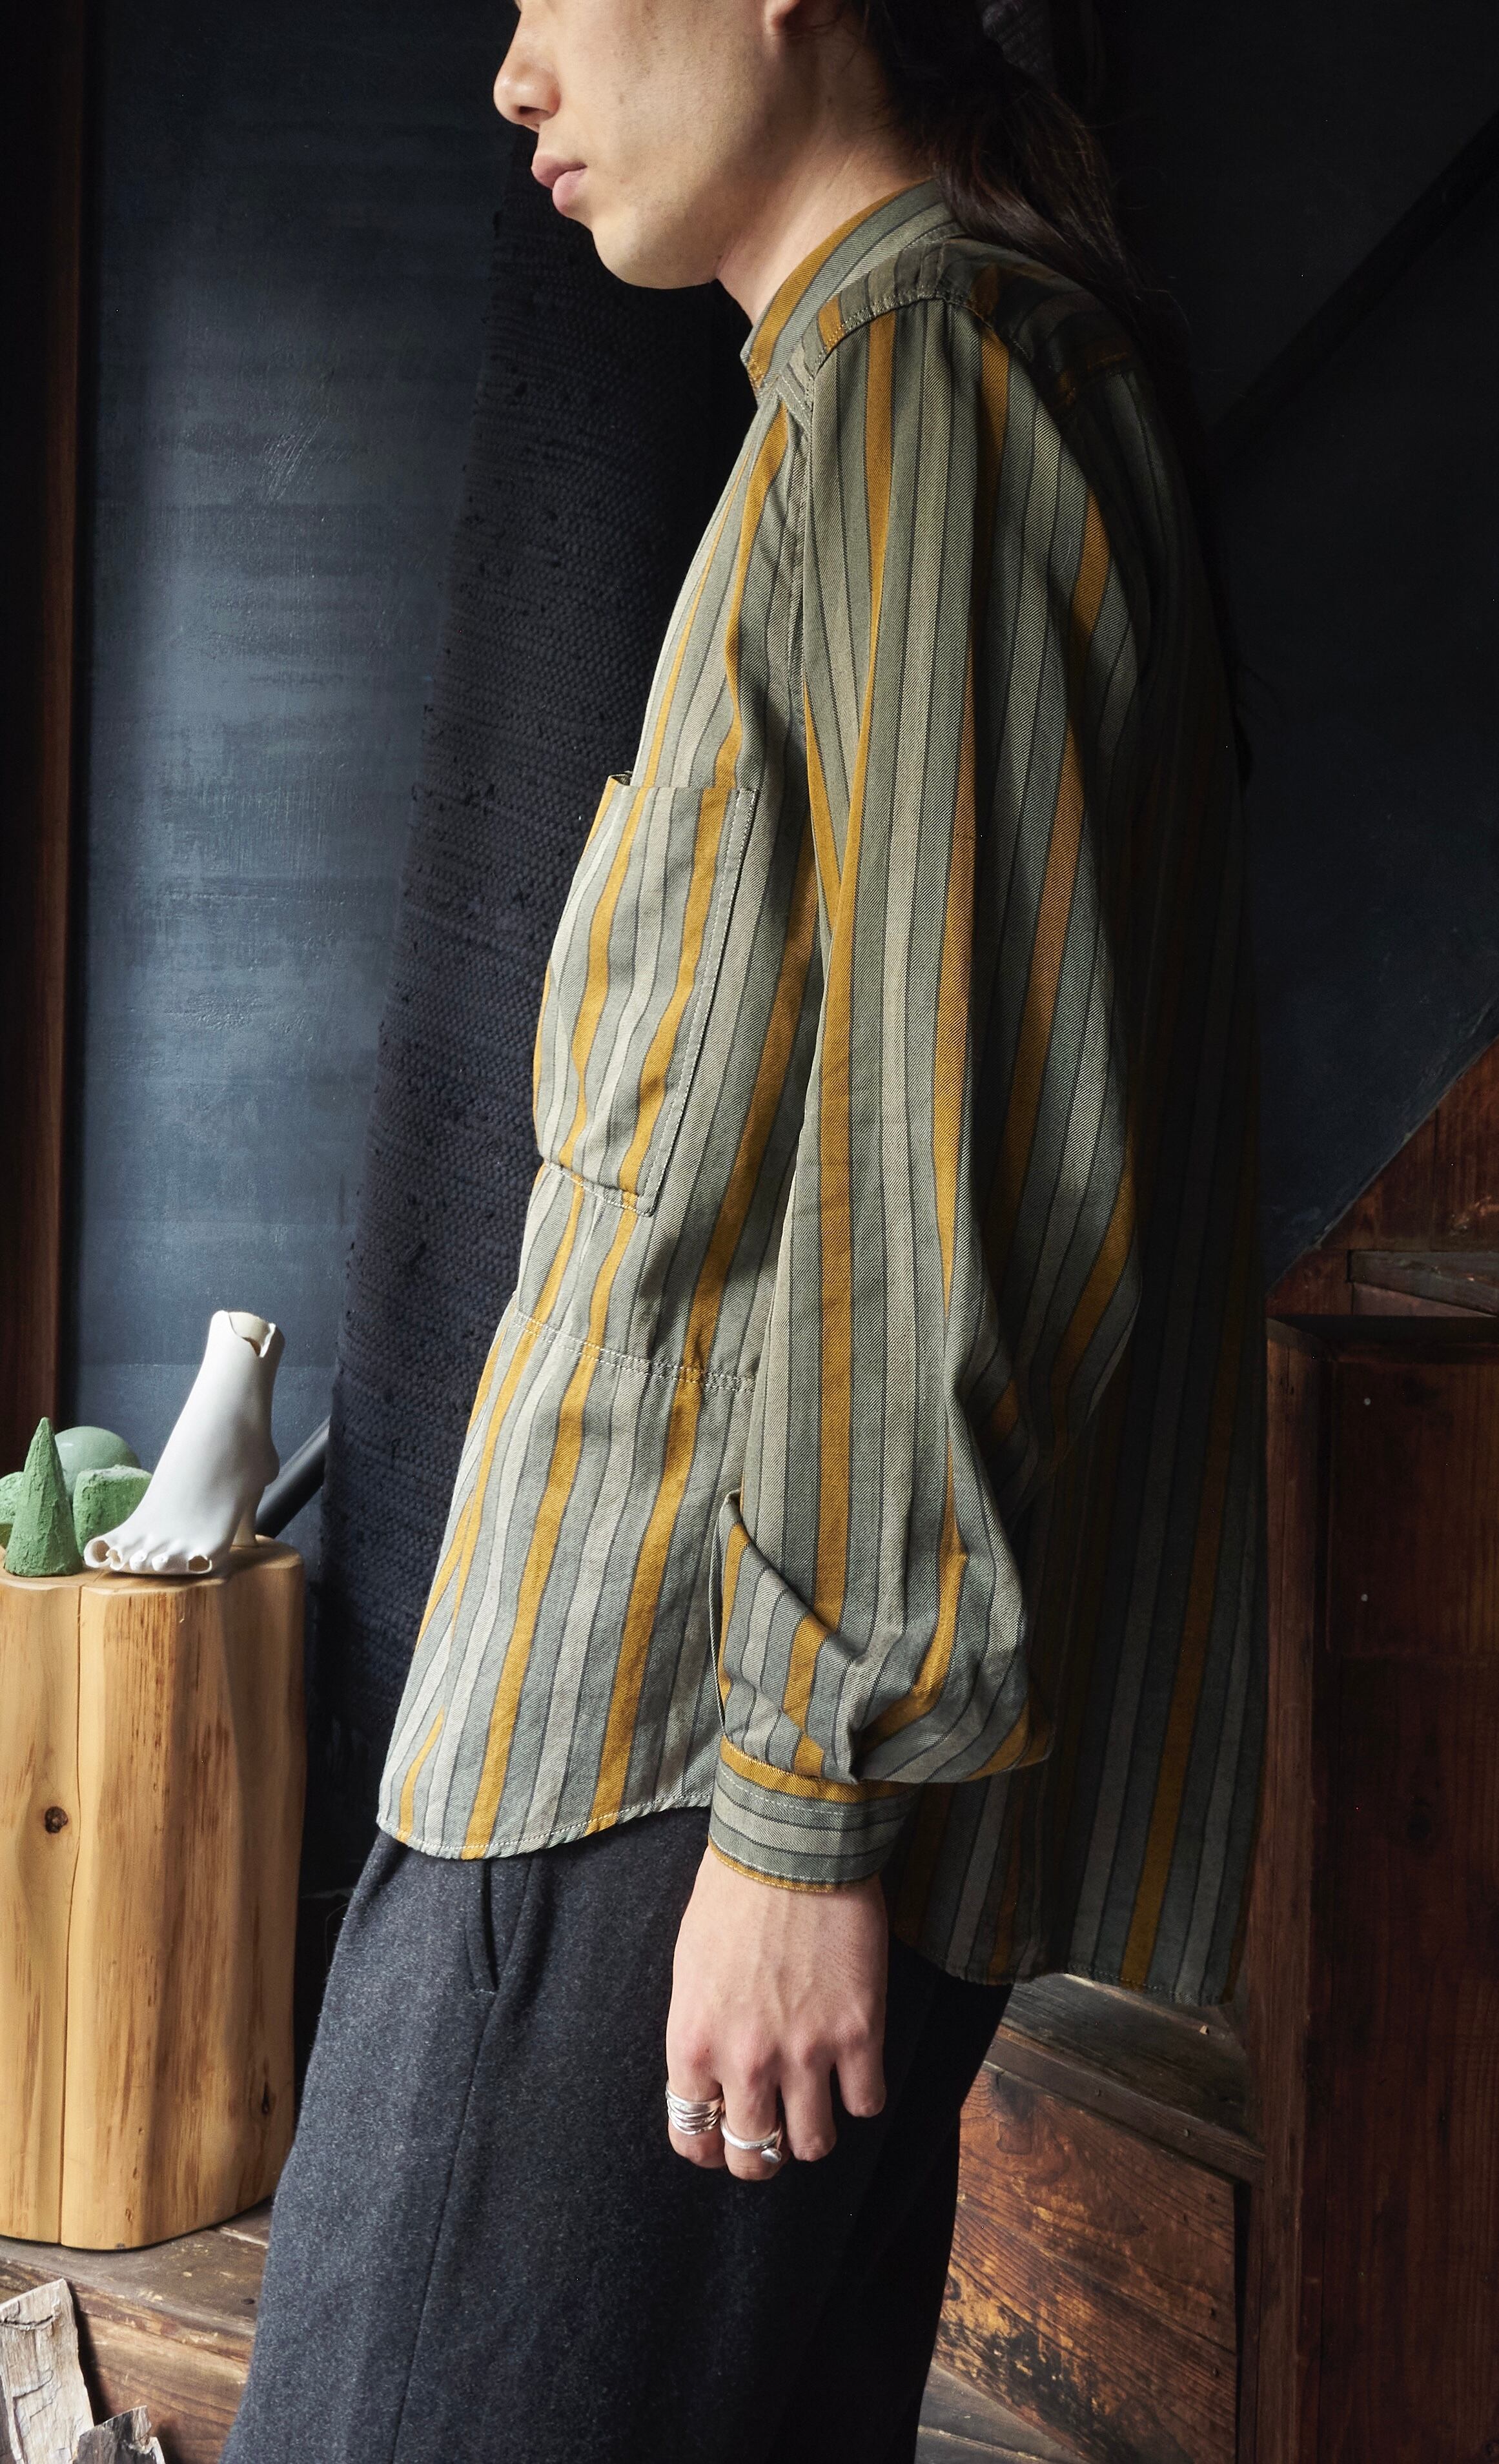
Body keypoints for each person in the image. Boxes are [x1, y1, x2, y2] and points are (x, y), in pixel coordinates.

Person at [224, 1, 1268, 2458]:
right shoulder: (898, 390)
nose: (513, 75)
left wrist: (802, 1816)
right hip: (678, 1772)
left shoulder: (933, 392)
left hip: (671, 1767)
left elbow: (947, 1172)